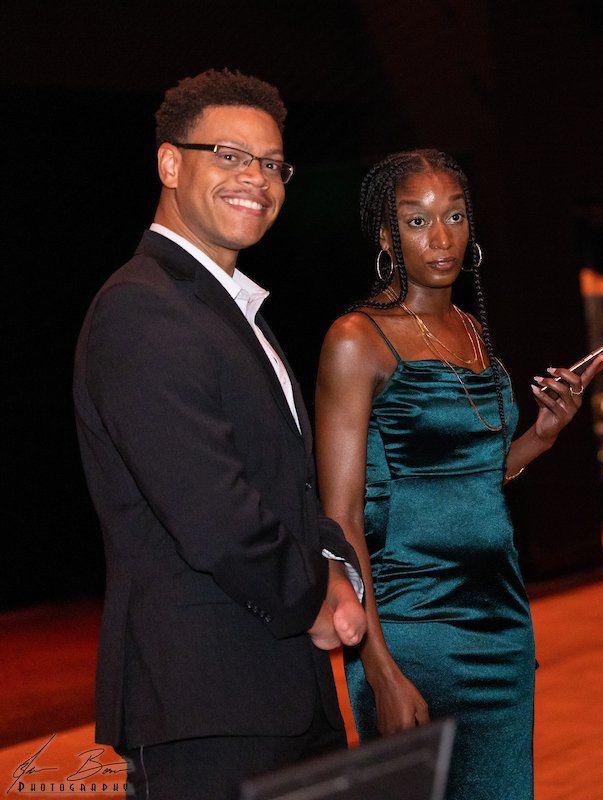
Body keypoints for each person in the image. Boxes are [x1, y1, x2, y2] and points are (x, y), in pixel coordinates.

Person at [72, 69, 366, 800]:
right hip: (208, 699)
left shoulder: (229, 310)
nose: (257, 180)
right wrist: (314, 597)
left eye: (272, 164)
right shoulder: (143, 311)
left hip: (270, 685)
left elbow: (282, 481)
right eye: (230, 156)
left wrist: (333, 560)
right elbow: (215, 516)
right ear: (171, 164)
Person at [315, 149, 603, 800]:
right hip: (414, 632)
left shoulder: (470, 329)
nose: (442, 237)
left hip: (501, 625)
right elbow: (339, 522)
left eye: (454, 216)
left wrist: (544, 432)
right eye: (417, 222)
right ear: (387, 237)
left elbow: (472, 478)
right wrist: (379, 667)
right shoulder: (357, 339)